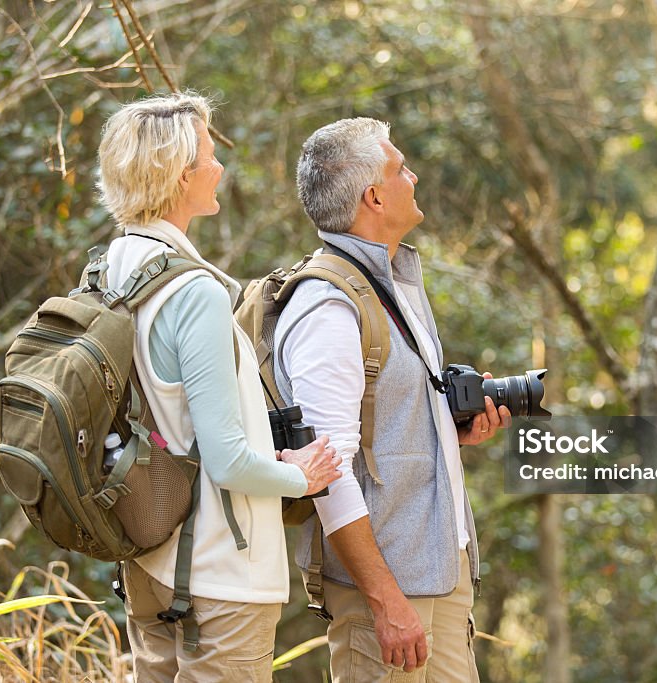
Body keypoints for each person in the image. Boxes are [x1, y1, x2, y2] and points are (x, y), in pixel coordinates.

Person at [95, 91, 342, 682]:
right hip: (219, 578)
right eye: (209, 155)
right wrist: (300, 477)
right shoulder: (192, 292)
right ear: (181, 176)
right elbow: (227, 461)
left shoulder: (110, 269)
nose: (220, 167)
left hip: (148, 563)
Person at [273, 117, 511, 682]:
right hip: (386, 590)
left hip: (441, 574)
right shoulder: (329, 308)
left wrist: (449, 433)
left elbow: (385, 424)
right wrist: (383, 599)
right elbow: (327, 471)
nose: (415, 176)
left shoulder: (391, 283)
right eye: (401, 168)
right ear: (374, 196)